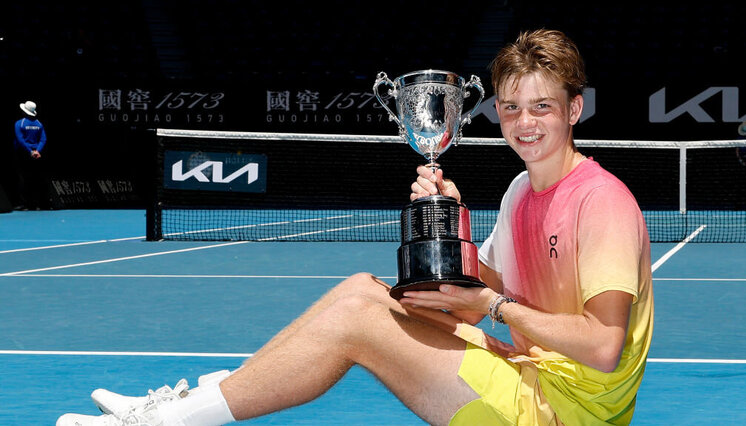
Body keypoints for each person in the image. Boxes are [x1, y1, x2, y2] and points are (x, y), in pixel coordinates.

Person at [57, 29, 654, 426]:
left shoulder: (600, 202)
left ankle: (166, 423)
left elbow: (602, 348)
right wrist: (449, 219)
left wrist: (492, 307)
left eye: (542, 107)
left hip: (565, 411)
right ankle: (193, 403)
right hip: (530, 368)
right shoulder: (522, 190)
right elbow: (502, 283)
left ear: (574, 109)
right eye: (511, 107)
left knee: (356, 320)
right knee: (362, 290)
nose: (523, 123)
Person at [12, 100, 49, 210]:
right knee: (36, 178)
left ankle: (25, 203)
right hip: (37, 155)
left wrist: (30, 151)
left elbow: (20, 140)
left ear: (24, 111)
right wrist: (38, 151)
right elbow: (43, 139)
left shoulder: (20, 123)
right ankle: (39, 203)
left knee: (23, 178)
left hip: (23, 153)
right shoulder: (39, 123)